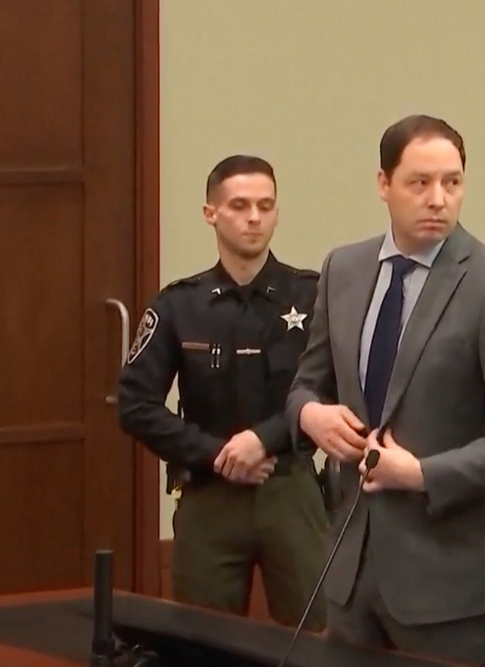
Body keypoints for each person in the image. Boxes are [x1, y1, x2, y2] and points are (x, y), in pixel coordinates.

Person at [287, 114, 485, 667]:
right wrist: (310, 415)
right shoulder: (344, 269)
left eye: (452, 182)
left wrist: (421, 474)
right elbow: (306, 384)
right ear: (383, 184)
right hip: (352, 572)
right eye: (420, 183)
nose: (438, 199)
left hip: (451, 585)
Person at [117, 155, 328, 630]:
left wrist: (264, 440)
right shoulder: (179, 305)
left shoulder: (312, 297)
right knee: (202, 639)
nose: (254, 218)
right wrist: (217, 454)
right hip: (209, 491)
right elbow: (135, 405)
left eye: (265, 206)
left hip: (290, 487)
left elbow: (334, 390)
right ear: (210, 213)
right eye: (239, 206)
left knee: (315, 638)